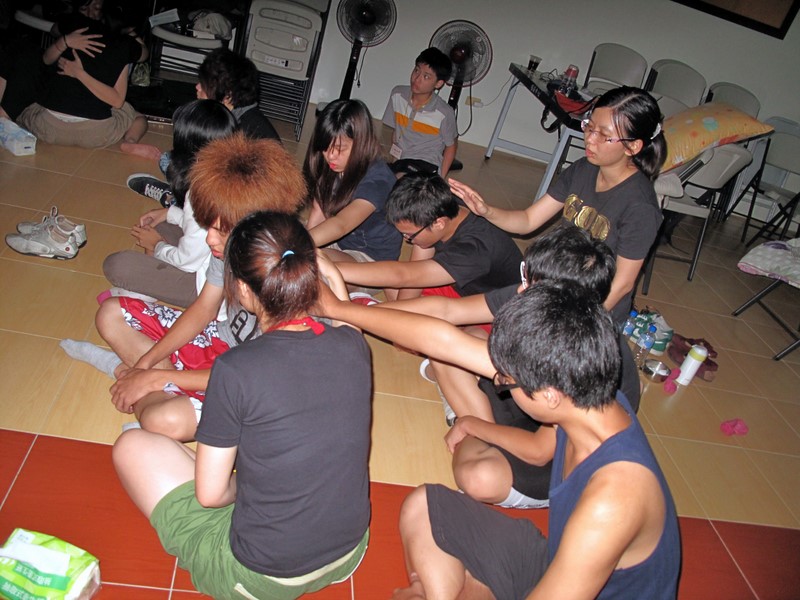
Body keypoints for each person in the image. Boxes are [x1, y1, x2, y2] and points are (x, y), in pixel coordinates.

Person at [113, 211, 372, 599]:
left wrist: (248, 485)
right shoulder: (354, 345)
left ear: (243, 291)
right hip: (350, 551)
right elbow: (346, 317)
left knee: (131, 446)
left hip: (260, 578)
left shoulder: (236, 370)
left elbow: (211, 496)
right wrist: (336, 283)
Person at [390, 281, 680, 599]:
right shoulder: (590, 400)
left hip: (574, 585)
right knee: (422, 506)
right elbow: (443, 341)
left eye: (507, 382)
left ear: (549, 395)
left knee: (435, 581)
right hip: (557, 562)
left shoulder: (614, 499)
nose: (501, 386)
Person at [317, 225, 616, 511]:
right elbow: (445, 313)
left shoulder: (579, 358)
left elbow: (539, 452)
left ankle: (471, 423)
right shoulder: (549, 307)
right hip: (523, 405)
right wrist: (350, 311)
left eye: (529, 283)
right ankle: (477, 422)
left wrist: (470, 425)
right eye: (526, 276)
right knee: (458, 341)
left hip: (549, 461)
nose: (520, 288)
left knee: (477, 476)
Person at [60, 134, 307, 441]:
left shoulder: (289, 281)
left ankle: (133, 382)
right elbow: (204, 308)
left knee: (166, 420)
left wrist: (154, 378)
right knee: (110, 314)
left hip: (248, 381)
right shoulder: (232, 248)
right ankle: (141, 385)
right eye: (208, 225)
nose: (209, 239)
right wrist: (146, 366)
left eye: (220, 230)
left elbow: (253, 375)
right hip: (216, 343)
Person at [451, 86, 666, 327]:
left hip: (590, 310)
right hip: (552, 287)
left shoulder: (640, 206)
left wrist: (568, 324)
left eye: (603, 135)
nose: (590, 139)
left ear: (633, 146)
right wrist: (486, 211)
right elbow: (528, 220)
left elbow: (622, 284)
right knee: (455, 314)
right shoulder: (584, 168)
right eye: (590, 126)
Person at [102, 99, 239, 308]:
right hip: (223, 270)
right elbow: (202, 232)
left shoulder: (201, 192)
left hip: (211, 290)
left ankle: (148, 288)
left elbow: (188, 262)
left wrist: (157, 245)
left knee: (116, 264)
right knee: (160, 224)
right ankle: (151, 279)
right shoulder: (235, 174)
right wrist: (170, 214)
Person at [333, 172, 522, 303]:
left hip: (490, 306)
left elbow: (405, 275)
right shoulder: (441, 205)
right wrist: (400, 309)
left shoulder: (473, 249)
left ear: (439, 223)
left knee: (409, 330)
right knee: (392, 289)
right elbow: (411, 274)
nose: (406, 240)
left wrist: (330, 269)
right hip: (459, 283)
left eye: (409, 235)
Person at [124, 48, 281, 205]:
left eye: (204, 85)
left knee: (173, 163)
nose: (197, 87)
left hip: (240, 203)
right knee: (170, 159)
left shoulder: (232, 130)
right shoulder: (246, 116)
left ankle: (173, 200)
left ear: (227, 96)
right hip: (246, 193)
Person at [16, 0, 149, 147]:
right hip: (96, 134)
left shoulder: (74, 23)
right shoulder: (126, 45)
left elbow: (52, 36)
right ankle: (130, 141)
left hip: (47, 127)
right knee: (135, 116)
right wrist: (131, 34)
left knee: (28, 107)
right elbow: (143, 55)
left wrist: (66, 42)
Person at [304, 99, 402, 265]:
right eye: (325, 147)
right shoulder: (330, 164)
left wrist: (300, 247)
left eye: (340, 149)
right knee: (281, 234)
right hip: (339, 242)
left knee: (311, 264)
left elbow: (341, 224)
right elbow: (318, 212)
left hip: (370, 257)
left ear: (361, 143)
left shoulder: (378, 180)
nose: (330, 156)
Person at [383, 47, 458, 178]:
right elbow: (396, 132)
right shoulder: (397, 94)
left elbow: (451, 146)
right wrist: (394, 160)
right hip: (402, 161)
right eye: (416, 70)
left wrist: (440, 178)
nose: (417, 79)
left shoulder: (444, 112)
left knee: (401, 181)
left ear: (438, 83)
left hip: (426, 164)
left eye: (426, 76)